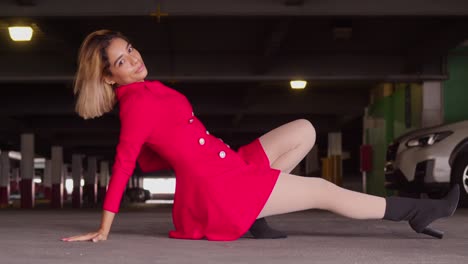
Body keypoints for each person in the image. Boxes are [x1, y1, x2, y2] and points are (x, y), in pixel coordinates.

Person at [62, 30, 459, 243]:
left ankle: (258, 215)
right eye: (121, 60)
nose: (133, 59)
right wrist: (104, 226)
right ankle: (414, 211)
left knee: (304, 130)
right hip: (219, 187)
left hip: (228, 163)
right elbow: (126, 161)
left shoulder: (148, 91)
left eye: (130, 49)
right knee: (322, 189)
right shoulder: (136, 105)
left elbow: (160, 148)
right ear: (109, 77)